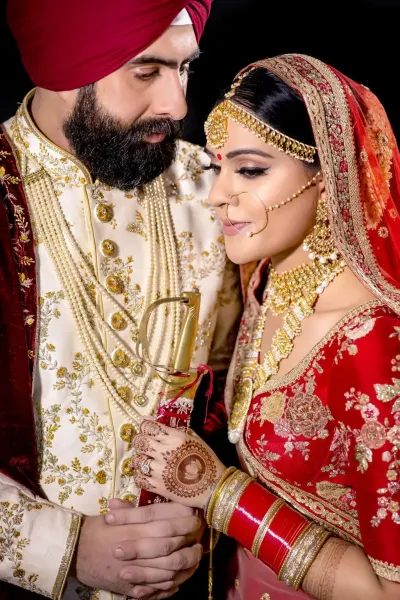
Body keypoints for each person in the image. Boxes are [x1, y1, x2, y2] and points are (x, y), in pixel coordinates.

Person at [128, 54, 400, 599]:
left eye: (250, 170)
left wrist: (217, 491)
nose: (217, 195)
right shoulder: (264, 281)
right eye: (217, 166)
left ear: (330, 174)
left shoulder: (371, 340)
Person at [0, 1, 242, 599]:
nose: (178, 104)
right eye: (146, 72)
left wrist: (208, 504)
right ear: (65, 67)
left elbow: (252, 386)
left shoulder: (222, 189)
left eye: (184, 70)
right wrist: (63, 547)